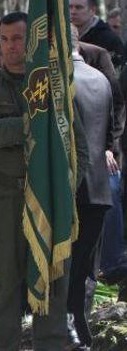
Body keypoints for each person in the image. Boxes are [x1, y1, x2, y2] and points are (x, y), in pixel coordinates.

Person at [0, 12, 86, 349]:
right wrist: (36, 120)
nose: (10, 47)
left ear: (32, 41)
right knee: (6, 280)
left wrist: (66, 189)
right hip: (7, 196)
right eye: (4, 40)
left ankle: (50, 343)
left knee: (52, 278)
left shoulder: (54, 86)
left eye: (17, 39)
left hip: (50, 196)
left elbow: (79, 147)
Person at [68, 29, 114, 349]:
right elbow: (108, 133)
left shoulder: (57, 82)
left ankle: (68, 332)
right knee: (87, 270)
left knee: (67, 267)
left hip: (67, 187)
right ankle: (82, 334)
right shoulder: (101, 79)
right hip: (98, 188)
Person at [70, 0, 126, 69]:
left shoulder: (109, 41)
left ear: (92, 10)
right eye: (70, 7)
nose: (73, 11)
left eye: (79, 7)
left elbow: (116, 73)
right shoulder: (63, 36)